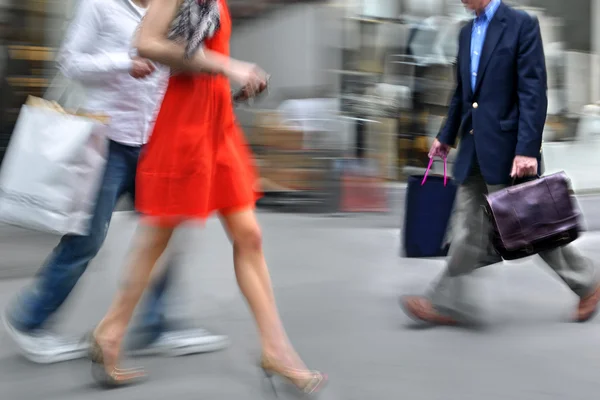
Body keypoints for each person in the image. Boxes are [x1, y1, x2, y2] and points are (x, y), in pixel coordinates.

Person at [88, 0, 327, 394]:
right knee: (157, 236)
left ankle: (276, 350)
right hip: (185, 122)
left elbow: (200, 50)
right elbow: (145, 41)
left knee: (248, 235)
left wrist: (233, 76)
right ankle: (110, 331)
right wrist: (227, 66)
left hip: (217, 121)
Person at [3, 0, 229, 364]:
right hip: (107, 141)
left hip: (155, 141)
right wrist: (125, 62)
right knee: (85, 240)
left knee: (165, 232)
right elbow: (70, 62)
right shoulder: (99, 6)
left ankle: (155, 326)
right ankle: (29, 321)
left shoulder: (167, 9)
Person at [400, 0, 600, 325]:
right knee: (469, 228)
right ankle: (447, 303)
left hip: (509, 152)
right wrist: (446, 136)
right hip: (473, 148)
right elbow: (463, 93)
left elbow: (533, 92)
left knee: (534, 230)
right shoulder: (466, 33)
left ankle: (587, 282)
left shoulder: (521, 24)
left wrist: (527, 150)